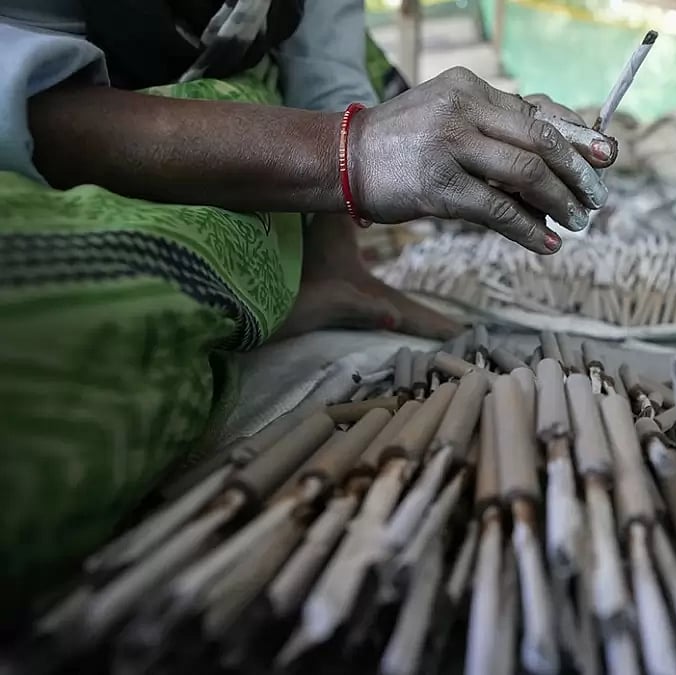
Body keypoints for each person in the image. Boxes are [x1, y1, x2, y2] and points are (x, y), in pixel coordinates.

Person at [0, 0, 616, 596]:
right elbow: (28, 95)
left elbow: (324, 63)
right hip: (67, 134)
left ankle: (329, 269)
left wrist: (351, 205)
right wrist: (351, 151)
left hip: (242, 108)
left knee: (272, 174)